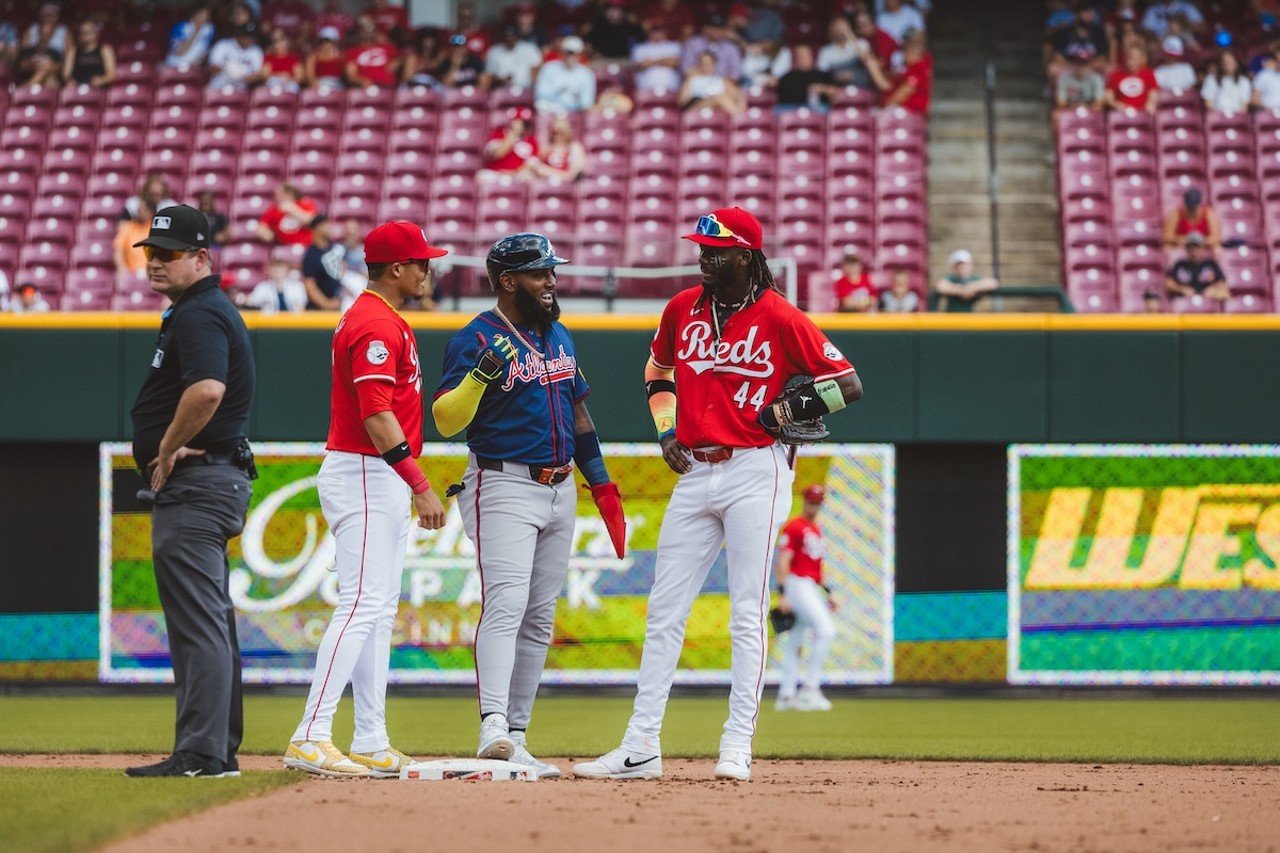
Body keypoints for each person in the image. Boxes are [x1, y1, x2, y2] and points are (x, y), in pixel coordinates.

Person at [573, 206, 862, 782]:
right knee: (663, 612)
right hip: (696, 471)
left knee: (747, 613)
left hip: (757, 468)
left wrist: (789, 409)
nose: (704, 257)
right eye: (702, 248)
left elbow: (848, 383)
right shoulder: (682, 309)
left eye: (717, 249)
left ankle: (737, 745)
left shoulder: (781, 316)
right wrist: (665, 430)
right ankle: (640, 746)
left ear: (747, 255)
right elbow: (657, 374)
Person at [432, 234, 625, 780]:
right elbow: (447, 421)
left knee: (540, 618)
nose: (552, 281)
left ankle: (516, 736)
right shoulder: (475, 338)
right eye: (540, 273)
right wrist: (478, 376)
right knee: (508, 604)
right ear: (508, 281)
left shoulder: (558, 333)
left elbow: (579, 413)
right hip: (504, 483)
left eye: (552, 272)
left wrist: (602, 485)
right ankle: (492, 723)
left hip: (562, 486)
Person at [284, 221, 447, 778]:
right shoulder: (375, 321)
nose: (429, 270)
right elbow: (376, 413)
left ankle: (372, 738)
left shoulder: (381, 316)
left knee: (377, 613)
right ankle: (309, 734)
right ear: (396, 268)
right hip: (365, 468)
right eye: (421, 262)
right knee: (360, 606)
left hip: (375, 473)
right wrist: (418, 482)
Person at [125, 205, 257, 778]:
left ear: (202, 258)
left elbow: (206, 390)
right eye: (151, 252)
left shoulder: (201, 313)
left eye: (169, 253)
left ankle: (202, 754)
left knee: (198, 625)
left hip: (198, 485)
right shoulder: (197, 309)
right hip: (215, 481)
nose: (155, 263)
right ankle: (217, 749)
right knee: (212, 622)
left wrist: (166, 447)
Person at [774, 484, 837, 712]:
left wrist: (828, 593)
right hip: (797, 584)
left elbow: (816, 568)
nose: (814, 505)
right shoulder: (795, 526)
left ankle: (786, 695)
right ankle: (810, 688)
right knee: (826, 630)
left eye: (818, 502)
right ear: (804, 500)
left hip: (810, 585)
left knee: (795, 640)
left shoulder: (816, 529)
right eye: (811, 501)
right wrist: (783, 593)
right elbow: (784, 560)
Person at [864, 28, 933, 114]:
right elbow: (888, 85)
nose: (904, 55)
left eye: (906, 51)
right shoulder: (908, 67)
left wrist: (886, 106)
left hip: (909, 110)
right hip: (902, 108)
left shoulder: (920, 65)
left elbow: (904, 91)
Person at [477, 107, 541, 184]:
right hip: (497, 173)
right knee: (481, 176)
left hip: (517, 174)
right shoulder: (497, 134)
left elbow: (532, 165)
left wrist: (514, 172)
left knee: (532, 179)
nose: (524, 126)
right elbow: (497, 154)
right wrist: (513, 134)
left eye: (526, 124)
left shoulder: (531, 140)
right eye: (521, 122)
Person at [534, 35, 596, 113]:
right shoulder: (549, 68)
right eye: (568, 53)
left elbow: (588, 103)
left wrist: (579, 96)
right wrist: (559, 90)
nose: (570, 57)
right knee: (541, 105)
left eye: (574, 54)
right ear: (562, 53)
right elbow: (540, 95)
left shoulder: (587, 74)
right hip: (551, 111)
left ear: (580, 55)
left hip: (575, 112)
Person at [1165, 232, 1229, 302]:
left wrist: (1212, 289)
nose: (1194, 251)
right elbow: (1169, 283)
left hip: (1207, 299)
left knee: (1223, 294)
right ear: (1186, 248)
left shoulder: (1210, 264)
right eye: (1191, 247)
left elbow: (1222, 282)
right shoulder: (1180, 265)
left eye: (1197, 247)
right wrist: (1182, 289)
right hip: (1185, 301)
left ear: (1202, 248)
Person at [679, 49, 746, 113]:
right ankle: (738, 116)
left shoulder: (721, 80)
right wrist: (705, 100)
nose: (705, 66)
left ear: (714, 64)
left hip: (718, 109)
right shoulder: (692, 79)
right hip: (697, 107)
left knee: (722, 98)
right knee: (718, 98)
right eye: (702, 63)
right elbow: (682, 102)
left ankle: (738, 117)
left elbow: (739, 96)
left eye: (708, 63)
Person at [775, 43, 838, 112]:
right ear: (795, 59)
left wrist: (822, 88)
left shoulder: (823, 75)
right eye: (799, 56)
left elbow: (834, 92)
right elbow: (781, 95)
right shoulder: (786, 78)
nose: (802, 59)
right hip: (791, 108)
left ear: (811, 57)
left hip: (817, 107)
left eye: (805, 56)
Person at [680, 15, 743, 82]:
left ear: (724, 30)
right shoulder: (693, 43)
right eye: (711, 28)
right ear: (704, 28)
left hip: (723, 85)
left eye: (718, 29)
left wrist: (716, 83)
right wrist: (705, 79)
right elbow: (685, 69)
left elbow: (735, 75)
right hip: (697, 82)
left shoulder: (731, 48)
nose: (715, 31)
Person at [346, 13, 401, 88]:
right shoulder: (352, 51)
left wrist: (395, 63)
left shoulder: (387, 46)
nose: (368, 32)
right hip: (366, 87)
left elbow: (400, 58)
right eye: (364, 29)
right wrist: (362, 81)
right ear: (359, 31)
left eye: (371, 27)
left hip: (387, 85)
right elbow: (351, 75)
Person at [255, 183, 320, 247]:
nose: (276, 197)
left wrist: (293, 210)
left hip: (306, 246)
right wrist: (266, 233)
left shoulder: (305, 204)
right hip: (283, 248)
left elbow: (312, 222)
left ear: (290, 194)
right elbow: (261, 227)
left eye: (279, 194)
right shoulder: (274, 209)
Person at [301, 220, 345, 310]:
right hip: (319, 310)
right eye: (325, 225)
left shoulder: (332, 249)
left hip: (337, 305)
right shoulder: (311, 255)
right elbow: (309, 285)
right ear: (316, 229)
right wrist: (326, 304)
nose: (329, 228)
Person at [530, 116, 587, 182]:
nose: (558, 134)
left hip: (567, 187)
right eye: (554, 132)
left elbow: (572, 175)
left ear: (568, 131)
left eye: (561, 131)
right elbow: (534, 168)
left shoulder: (575, 148)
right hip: (545, 185)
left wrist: (546, 171)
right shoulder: (544, 148)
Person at [485, 24, 542, 90]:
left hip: (526, 88)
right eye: (508, 37)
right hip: (502, 89)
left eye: (513, 37)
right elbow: (490, 74)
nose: (510, 39)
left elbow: (536, 70)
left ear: (518, 37)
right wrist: (500, 80)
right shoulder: (494, 50)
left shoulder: (530, 48)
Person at [208, 22, 264, 89]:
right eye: (247, 37)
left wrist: (239, 75)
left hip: (242, 87)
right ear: (239, 35)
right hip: (221, 83)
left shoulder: (256, 51)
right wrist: (227, 69)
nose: (250, 40)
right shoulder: (223, 45)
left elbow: (256, 75)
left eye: (252, 37)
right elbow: (212, 68)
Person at [631, 23, 683, 94]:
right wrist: (664, 61)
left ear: (665, 33)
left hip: (671, 86)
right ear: (649, 33)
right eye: (654, 32)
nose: (657, 34)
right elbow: (642, 65)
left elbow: (673, 63)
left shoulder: (674, 46)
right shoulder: (639, 48)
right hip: (645, 87)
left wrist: (651, 62)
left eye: (660, 31)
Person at [1105, 44, 1159, 112]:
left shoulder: (1148, 74)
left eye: (1134, 58)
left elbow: (1153, 94)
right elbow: (1109, 97)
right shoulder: (1116, 75)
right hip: (1122, 112)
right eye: (1129, 58)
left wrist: (1150, 104)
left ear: (1140, 59)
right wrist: (1116, 105)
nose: (1131, 61)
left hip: (1142, 112)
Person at [62, 20, 115, 88]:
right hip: (77, 87)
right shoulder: (73, 51)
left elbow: (111, 73)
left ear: (96, 34)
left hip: (98, 88)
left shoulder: (105, 50)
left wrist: (102, 80)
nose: (85, 35)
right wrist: (70, 81)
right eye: (83, 32)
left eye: (89, 32)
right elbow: (66, 73)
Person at [114, 200, 154, 289]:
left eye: (143, 209)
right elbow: (118, 250)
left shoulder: (155, 228)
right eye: (138, 209)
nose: (139, 211)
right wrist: (123, 269)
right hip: (131, 273)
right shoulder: (128, 227)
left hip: (151, 274)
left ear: (150, 212)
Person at [165, 5, 216, 70]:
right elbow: (180, 53)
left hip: (194, 67)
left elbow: (207, 50)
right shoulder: (180, 27)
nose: (206, 17)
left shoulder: (209, 29)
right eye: (202, 14)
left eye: (207, 14)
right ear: (194, 15)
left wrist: (200, 61)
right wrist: (196, 32)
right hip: (175, 65)